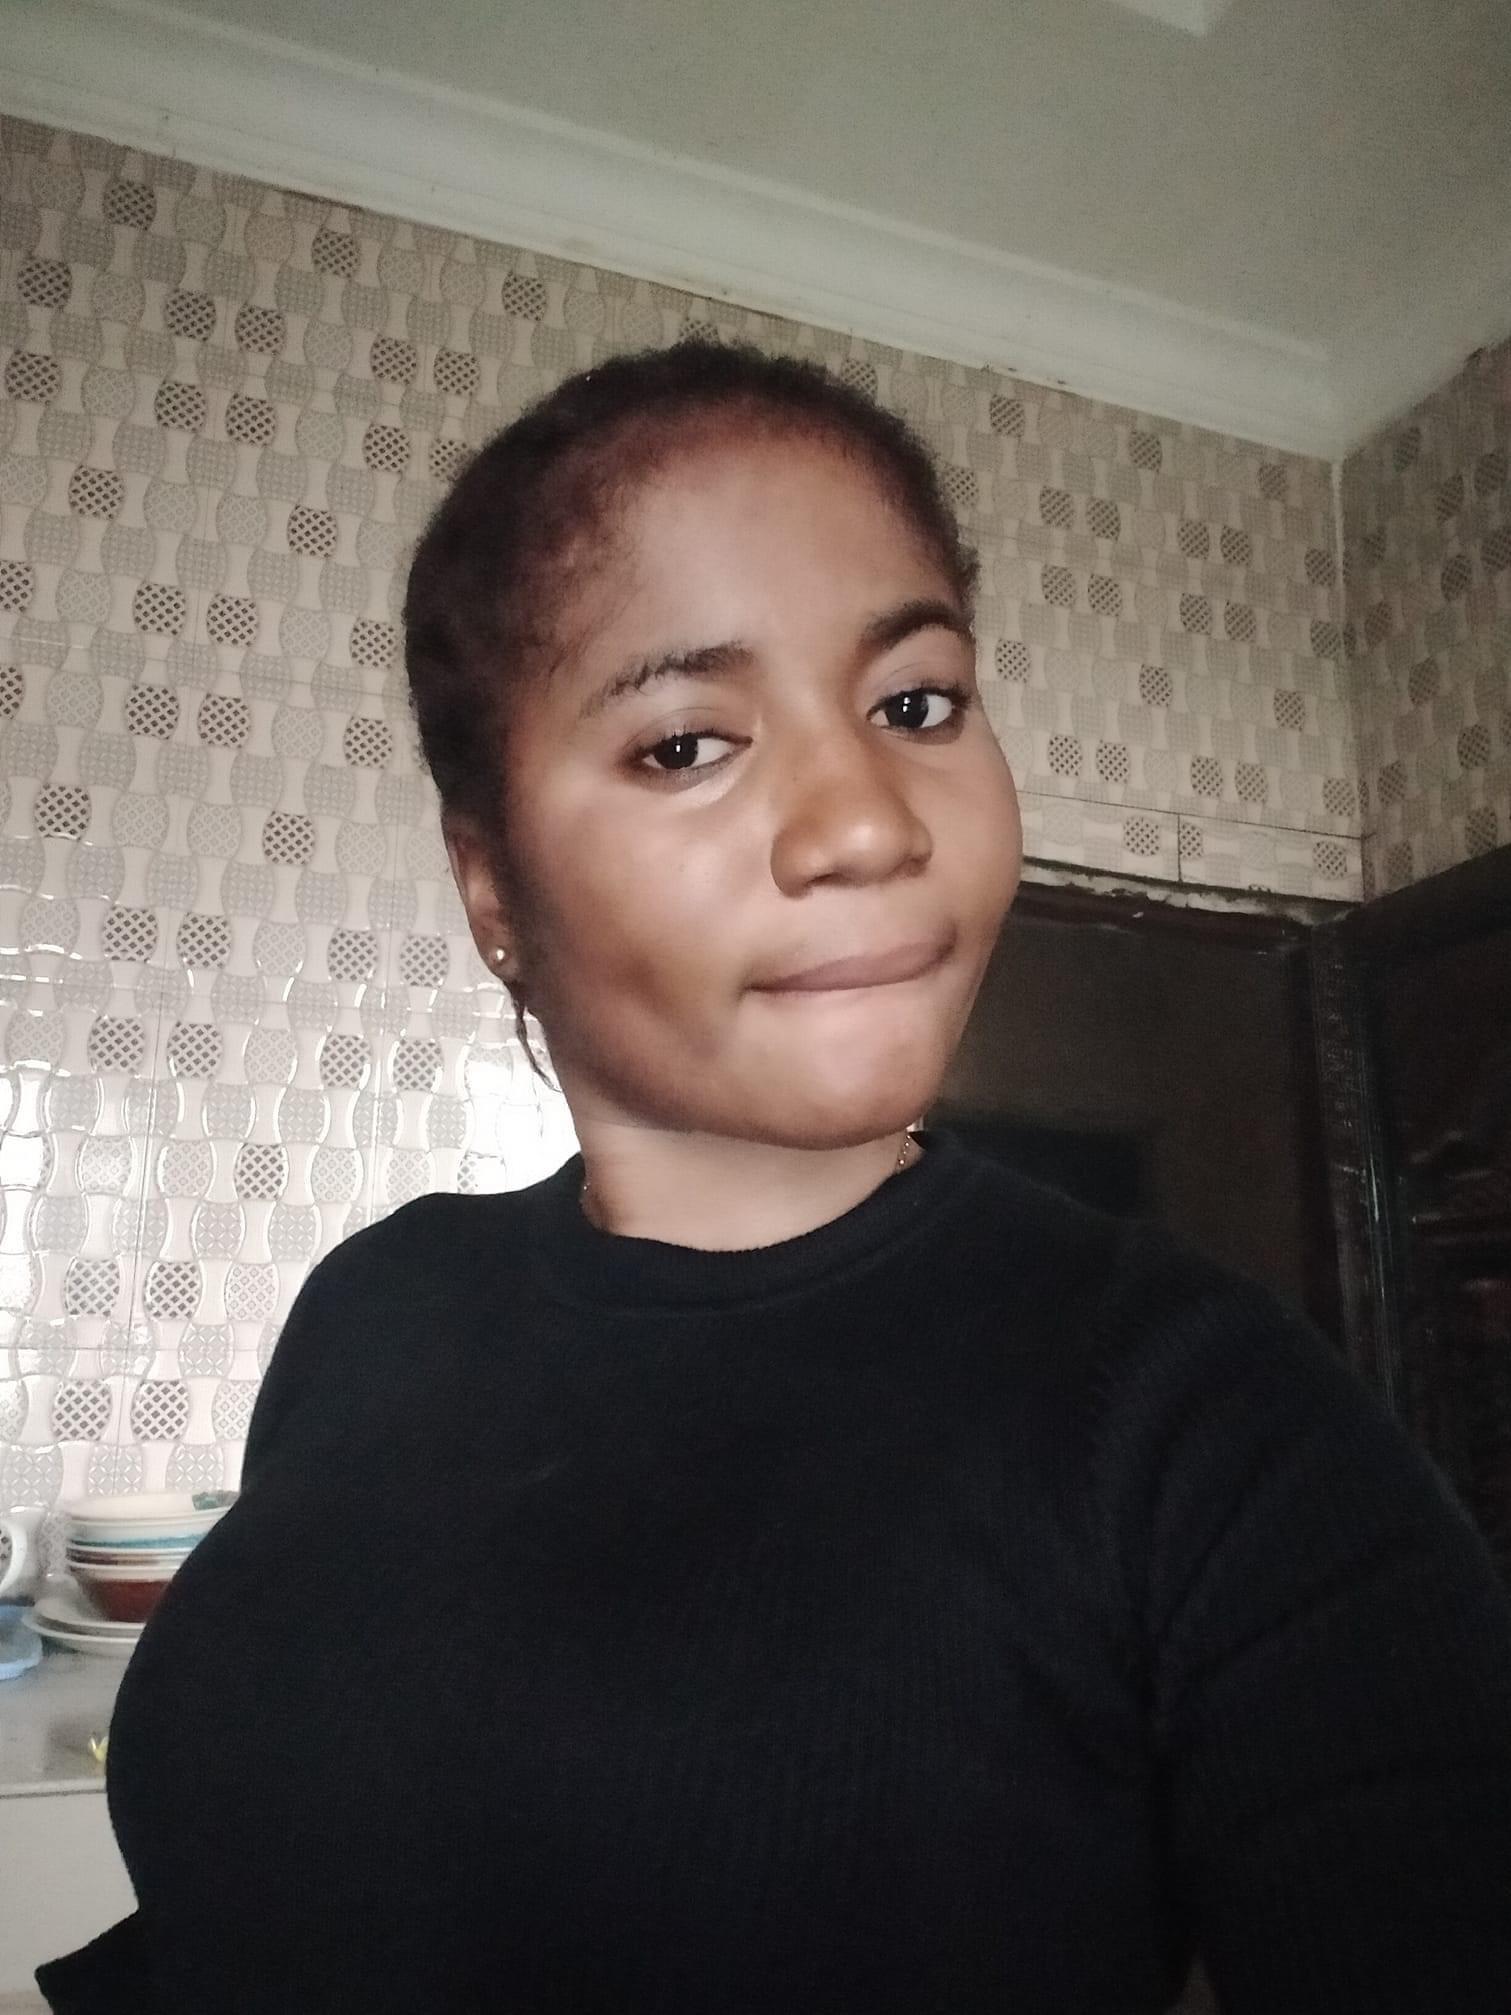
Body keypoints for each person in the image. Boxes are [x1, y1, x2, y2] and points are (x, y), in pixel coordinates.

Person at [37, 342, 1511, 2013]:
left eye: (916, 705)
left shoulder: (1216, 1422)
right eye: (687, 744)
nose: (869, 824)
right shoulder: (380, 1304)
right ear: (493, 886)